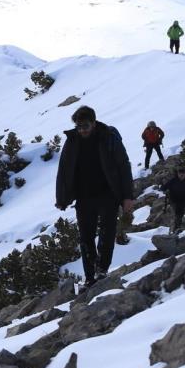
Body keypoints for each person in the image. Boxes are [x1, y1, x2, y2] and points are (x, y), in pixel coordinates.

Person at [56, 106, 135, 285]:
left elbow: (123, 165)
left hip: (108, 194)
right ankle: (90, 276)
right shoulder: (72, 141)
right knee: (86, 237)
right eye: (79, 126)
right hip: (84, 196)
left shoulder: (108, 137)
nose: (82, 130)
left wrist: (127, 196)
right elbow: (64, 170)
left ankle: (102, 270)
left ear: (93, 122)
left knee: (107, 234)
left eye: (85, 126)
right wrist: (61, 198)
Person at [161, 168, 185, 233]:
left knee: (180, 214)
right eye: (180, 174)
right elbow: (164, 187)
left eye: (183, 174)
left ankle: (177, 228)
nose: (181, 175)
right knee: (176, 213)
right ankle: (175, 228)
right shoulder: (173, 181)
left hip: (183, 200)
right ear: (178, 174)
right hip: (173, 200)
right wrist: (163, 187)